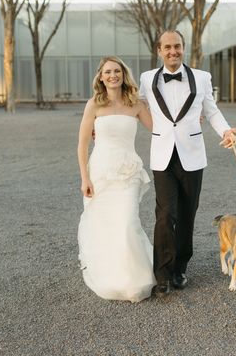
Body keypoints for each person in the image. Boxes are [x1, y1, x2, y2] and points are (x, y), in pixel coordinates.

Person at [139, 30, 236, 297]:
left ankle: (180, 267)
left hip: (192, 156)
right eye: (168, 47)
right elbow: (133, 106)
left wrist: (226, 131)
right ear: (159, 50)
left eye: (178, 46)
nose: (173, 51)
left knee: (187, 214)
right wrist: (100, 125)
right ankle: (162, 274)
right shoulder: (147, 79)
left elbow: (211, 110)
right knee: (165, 214)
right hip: (162, 156)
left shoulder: (202, 77)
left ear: (184, 48)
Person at [77, 56, 155, 302]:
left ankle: (136, 277)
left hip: (128, 172)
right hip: (101, 172)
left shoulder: (136, 104)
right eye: (108, 72)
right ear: (101, 77)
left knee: (127, 221)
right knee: (106, 224)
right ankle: (112, 274)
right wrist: (84, 178)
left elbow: (160, 129)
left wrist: (188, 121)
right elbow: (82, 144)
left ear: (124, 75)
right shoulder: (94, 105)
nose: (113, 75)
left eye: (117, 71)